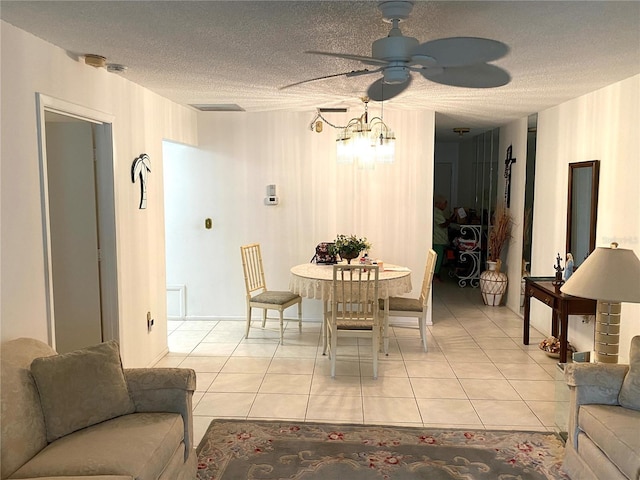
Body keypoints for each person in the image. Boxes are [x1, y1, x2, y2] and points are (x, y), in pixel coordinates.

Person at [433, 194, 456, 280]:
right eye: (444, 203)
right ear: (438, 204)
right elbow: (443, 224)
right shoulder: (436, 212)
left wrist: (452, 216)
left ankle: (436, 274)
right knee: (438, 259)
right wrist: (452, 217)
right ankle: (435, 275)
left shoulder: (438, 212)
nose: (446, 205)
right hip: (437, 240)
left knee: (439, 258)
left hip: (439, 239)